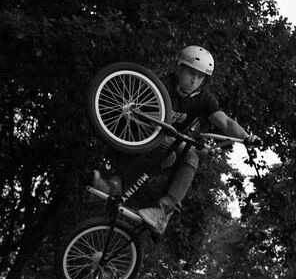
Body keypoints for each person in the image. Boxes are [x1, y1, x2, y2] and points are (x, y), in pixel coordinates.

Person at [92, 45, 260, 234]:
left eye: (200, 77)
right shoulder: (162, 86)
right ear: (179, 69)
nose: (194, 80)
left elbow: (226, 122)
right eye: (191, 73)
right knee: (180, 150)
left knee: (181, 156)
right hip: (134, 139)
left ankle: (157, 208)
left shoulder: (202, 98)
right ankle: (115, 183)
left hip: (161, 148)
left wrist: (246, 138)